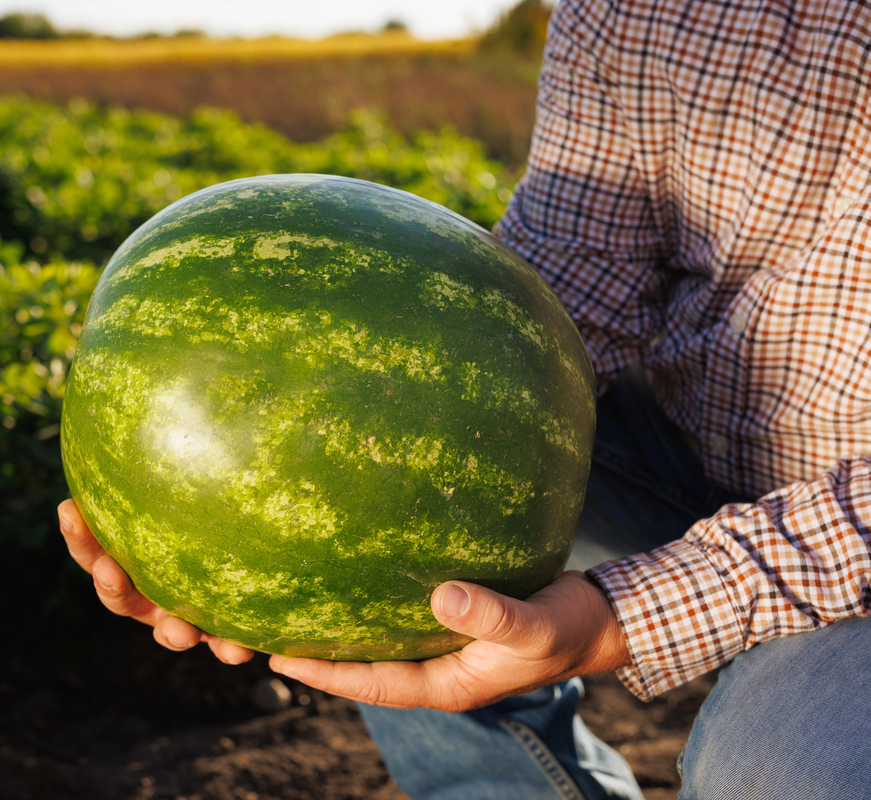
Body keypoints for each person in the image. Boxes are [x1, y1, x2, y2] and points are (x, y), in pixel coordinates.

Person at [58, 0, 871, 796]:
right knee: (374, 553)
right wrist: (231, 525)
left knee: (777, 771)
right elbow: (573, 271)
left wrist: (622, 612)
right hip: (688, 435)